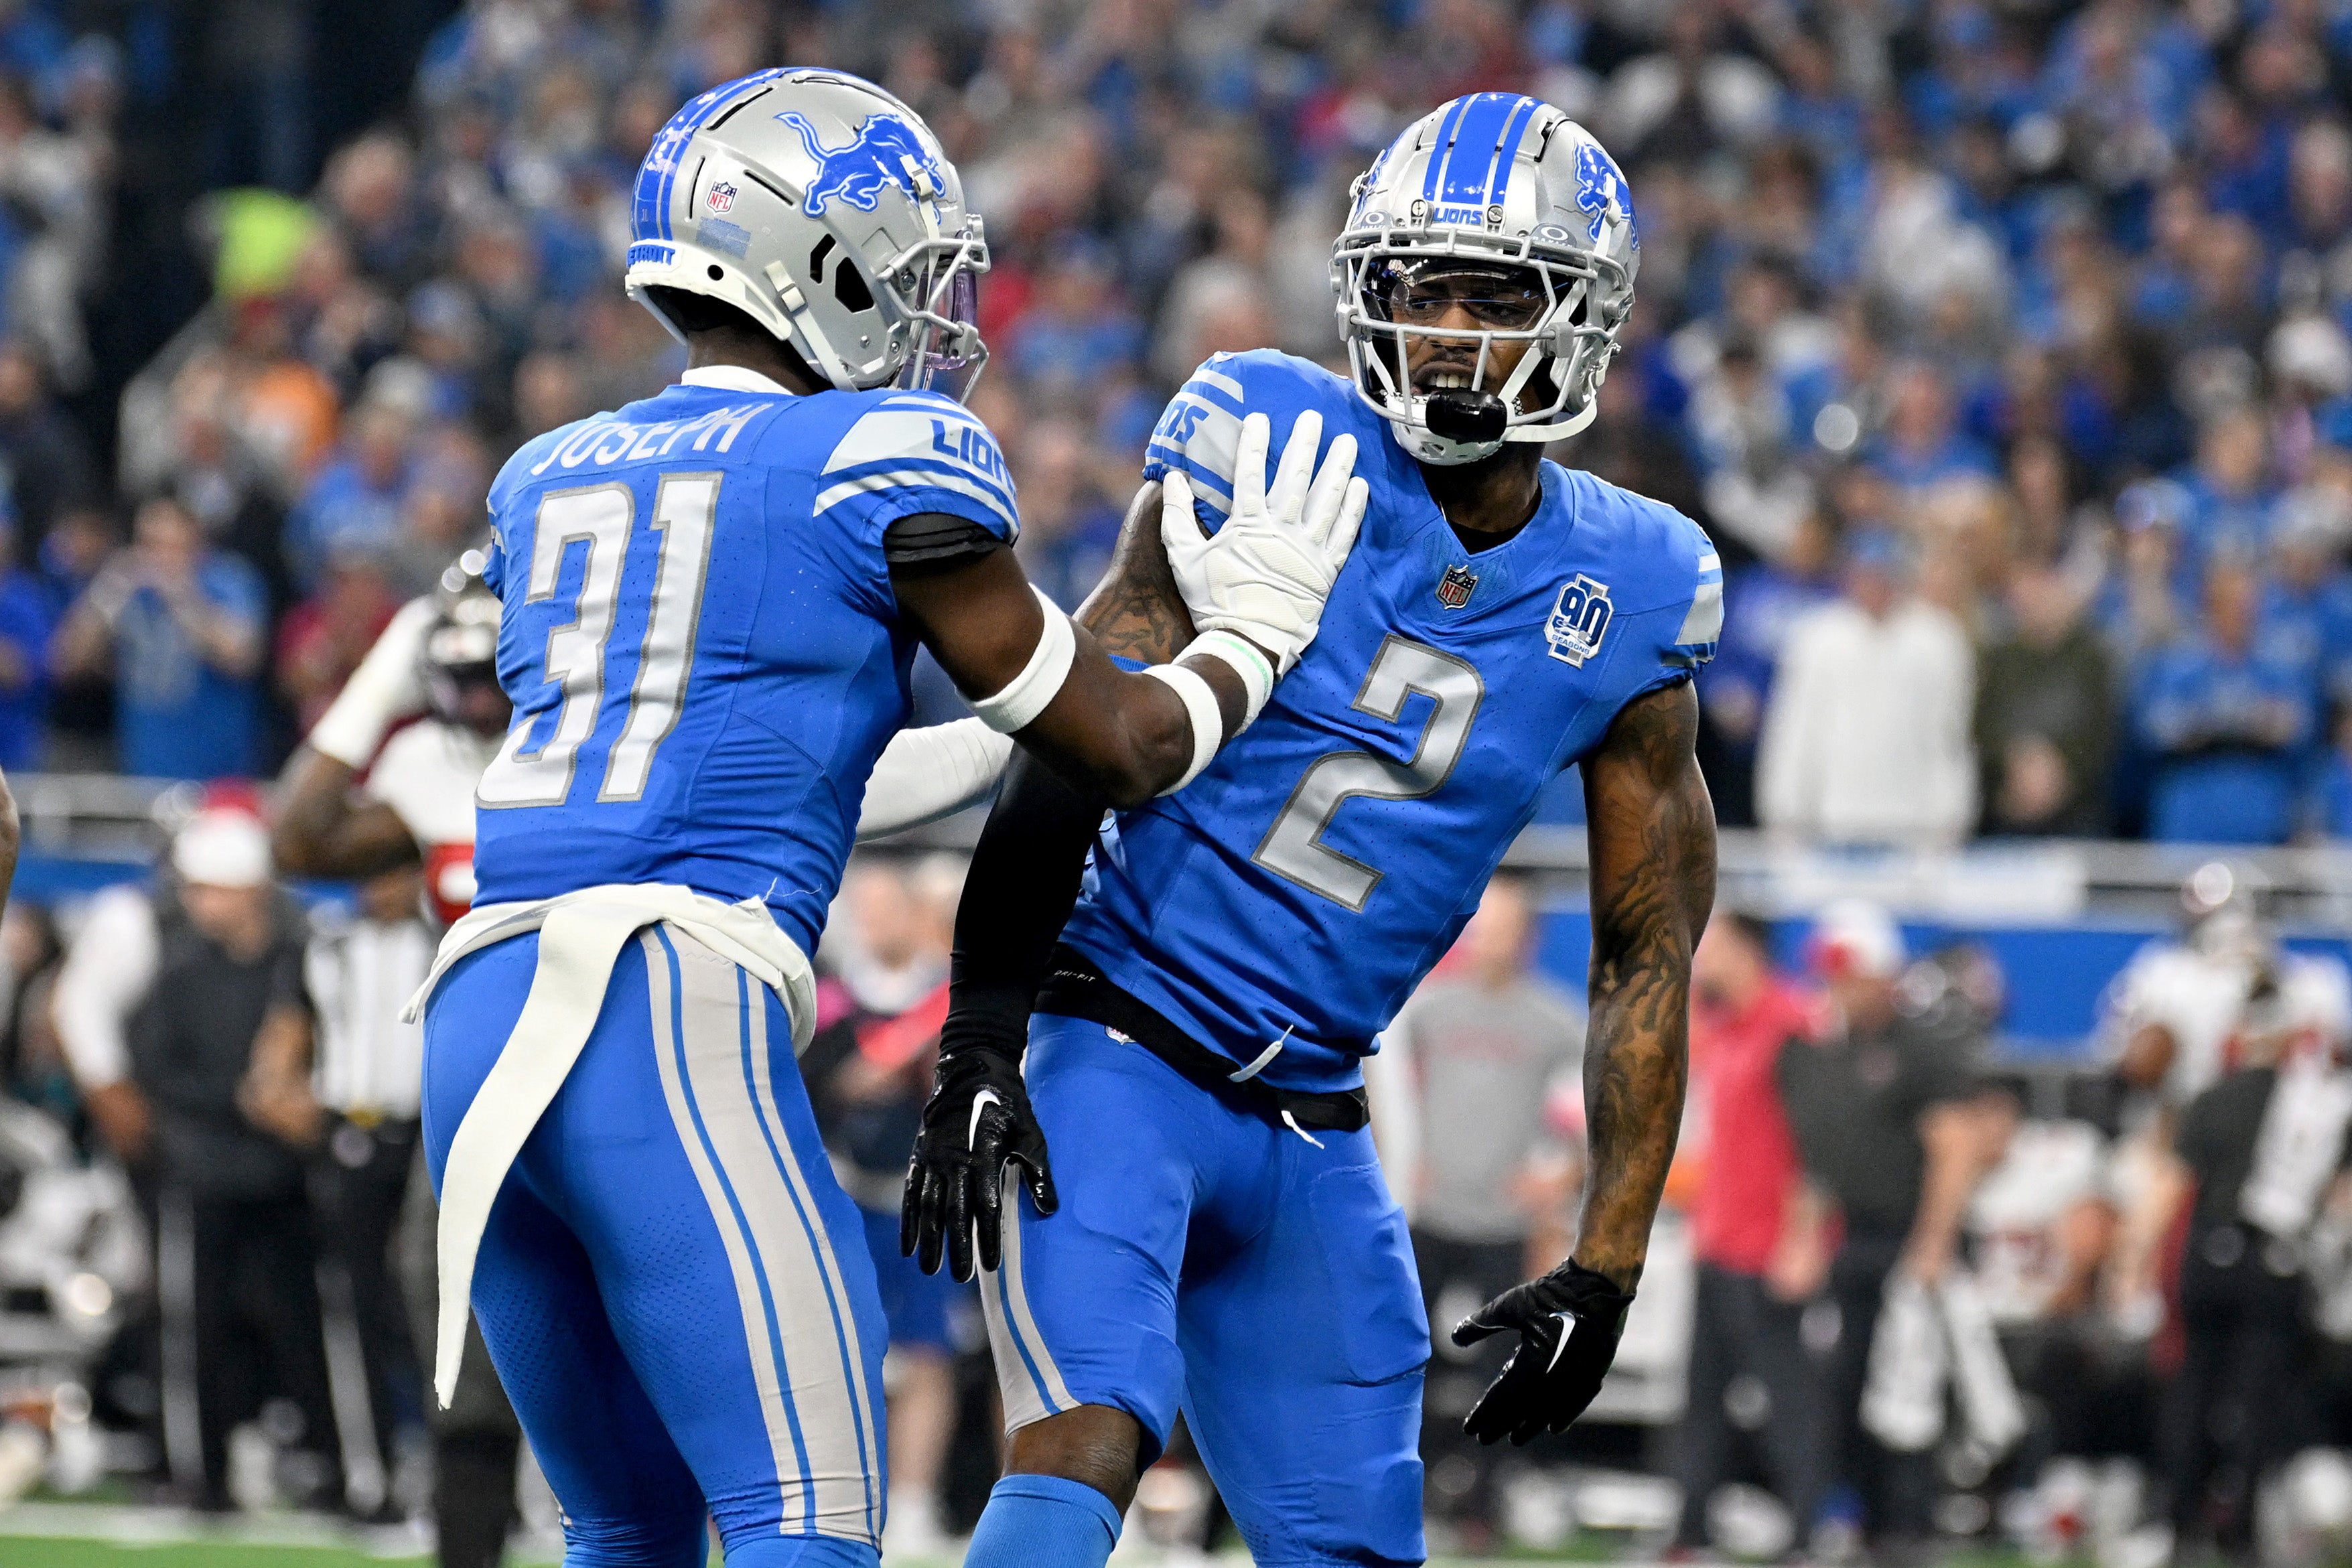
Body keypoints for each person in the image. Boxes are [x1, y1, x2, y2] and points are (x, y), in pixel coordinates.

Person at [415, 68, 1365, 1568]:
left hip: (479, 1004)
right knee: (803, 1522)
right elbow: (1122, 747)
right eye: (909, 272)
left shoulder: (550, 475)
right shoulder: (881, 458)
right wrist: (1260, 627)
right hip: (658, 1001)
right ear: (823, 266)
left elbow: (787, 769)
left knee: (627, 1530)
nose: (935, 314)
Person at [907, 94, 1717, 1568]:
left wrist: (1606, 1260)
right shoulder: (1273, 434)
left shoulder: (1639, 585)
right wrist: (982, 1038)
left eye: (1494, 298)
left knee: (1356, 1542)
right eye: (1421, 290)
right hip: (1115, 1044)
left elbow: (1645, 952)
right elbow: (1078, 733)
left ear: (1581, 319)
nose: (1447, 334)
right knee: (1091, 1429)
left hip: (1315, 1120)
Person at [271, 555, 520, 1567]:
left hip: (606, 1063)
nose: (476, 698)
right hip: (471, 1079)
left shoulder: (590, 735)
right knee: (446, 1312)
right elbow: (299, 837)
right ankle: (470, 1537)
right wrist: (380, 673)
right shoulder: (426, 763)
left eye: (491, 673)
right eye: (454, 675)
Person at [53, 808, 340, 1511]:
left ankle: (325, 1462)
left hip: (280, 1167)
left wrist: (297, 1104)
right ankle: (193, 1470)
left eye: (213, 888)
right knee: (190, 1324)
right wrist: (237, 1097)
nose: (197, 901)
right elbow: (144, 1060)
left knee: (302, 1320)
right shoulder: (171, 957)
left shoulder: (301, 953)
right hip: (196, 1163)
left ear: (252, 890)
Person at [1369, 873, 1584, 1548]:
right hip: (1429, 1216)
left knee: (1505, 1371)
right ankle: (1398, 1492)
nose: (1489, 940)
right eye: (1483, 926)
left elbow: (1592, 1117)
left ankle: (1479, 1508)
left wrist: (1559, 1180)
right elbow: (1382, 1090)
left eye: (1504, 928)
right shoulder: (1429, 1009)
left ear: (1530, 938)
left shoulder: (1556, 1020)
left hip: (1505, 1226)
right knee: (1400, 1359)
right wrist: (1402, 1159)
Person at [1776, 901, 1990, 1553]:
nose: (1836, 986)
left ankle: (1910, 1528)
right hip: (1855, 1236)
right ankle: (1866, 1523)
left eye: (1848, 973)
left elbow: (1955, 1147)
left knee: (1911, 1392)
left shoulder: (1918, 1046)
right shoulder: (1824, 1051)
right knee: (1850, 1383)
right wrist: (1803, 1238)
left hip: (1910, 1237)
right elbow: (1820, 1160)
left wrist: (1933, 1242)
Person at [1672, 910, 1830, 1556]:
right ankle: (1689, 1530)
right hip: (1717, 1238)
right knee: (1700, 1398)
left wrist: (1802, 1237)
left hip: (1767, 1245)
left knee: (1785, 1397)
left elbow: (1814, 1144)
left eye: (1712, 948)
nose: (1703, 961)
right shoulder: (1722, 1025)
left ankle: (1805, 1530)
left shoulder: (1790, 1025)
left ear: (1747, 950)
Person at [1754, 526, 1976, 846]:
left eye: (1883, 576)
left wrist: (1951, 814)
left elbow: (1948, 735)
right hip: (1832, 822)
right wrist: (1783, 809)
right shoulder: (1817, 637)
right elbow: (1795, 728)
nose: (1874, 586)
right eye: (1865, 575)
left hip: (1913, 827)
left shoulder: (1937, 640)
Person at [53, 496, 267, 780]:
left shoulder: (227, 580)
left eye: (172, 546)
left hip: (217, 774)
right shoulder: (130, 589)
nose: (159, 558)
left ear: (197, 544)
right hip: (144, 768)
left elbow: (243, 657)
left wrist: (182, 597)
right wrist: (105, 594)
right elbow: (66, 662)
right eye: (150, 545)